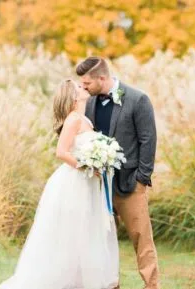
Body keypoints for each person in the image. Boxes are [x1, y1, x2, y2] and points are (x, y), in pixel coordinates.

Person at [0, 80, 119, 289]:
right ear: (73, 97)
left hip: (88, 183)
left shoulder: (84, 119)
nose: (84, 87)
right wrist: (86, 165)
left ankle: (81, 281)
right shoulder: (73, 120)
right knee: (71, 231)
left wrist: (101, 160)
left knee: (86, 229)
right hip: (74, 182)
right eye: (79, 88)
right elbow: (61, 152)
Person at [77, 56, 160, 289]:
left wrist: (142, 179)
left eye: (86, 83)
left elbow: (148, 140)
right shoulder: (89, 103)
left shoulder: (137, 99)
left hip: (129, 184)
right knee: (102, 241)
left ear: (102, 78)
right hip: (98, 185)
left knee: (141, 239)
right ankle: (109, 285)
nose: (82, 88)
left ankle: (152, 285)